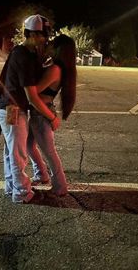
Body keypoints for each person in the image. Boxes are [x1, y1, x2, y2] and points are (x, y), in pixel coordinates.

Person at [0, 14, 60, 204]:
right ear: (34, 34)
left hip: (9, 107)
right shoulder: (24, 56)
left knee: (11, 150)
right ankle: (21, 193)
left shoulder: (22, 53)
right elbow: (32, 97)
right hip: (13, 108)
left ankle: (11, 186)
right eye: (43, 35)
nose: (45, 39)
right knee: (18, 152)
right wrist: (52, 117)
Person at [27, 34, 77, 196]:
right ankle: (41, 174)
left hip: (42, 113)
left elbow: (35, 90)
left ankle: (60, 185)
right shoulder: (57, 66)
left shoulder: (55, 69)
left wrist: (51, 117)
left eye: (53, 45)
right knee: (28, 145)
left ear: (59, 49)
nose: (50, 46)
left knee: (49, 151)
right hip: (40, 112)